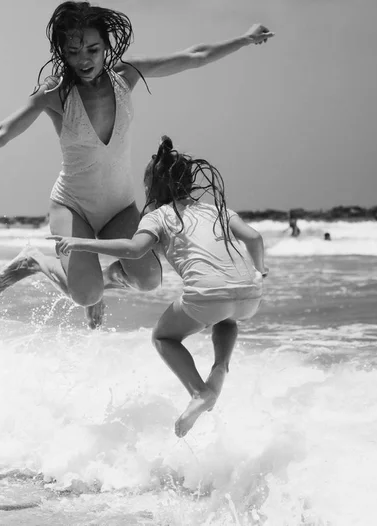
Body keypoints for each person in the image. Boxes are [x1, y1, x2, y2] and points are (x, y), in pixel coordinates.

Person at [0, 1, 274, 328]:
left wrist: (244, 39)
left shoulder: (126, 76)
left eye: (93, 49)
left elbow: (194, 55)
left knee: (149, 280)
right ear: (63, 53)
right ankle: (36, 260)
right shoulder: (55, 94)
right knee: (83, 295)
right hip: (73, 206)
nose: (84, 59)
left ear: (107, 46)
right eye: (73, 52)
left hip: (119, 206)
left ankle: (101, 282)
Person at [49, 136, 268, 437]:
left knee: (164, 337)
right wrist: (260, 272)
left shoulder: (159, 216)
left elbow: (133, 249)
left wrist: (81, 242)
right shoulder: (219, 211)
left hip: (207, 296)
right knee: (227, 317)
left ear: (152, 188)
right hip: (250, 294)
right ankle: (221, 368)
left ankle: (199, 392)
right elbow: (255, 238)